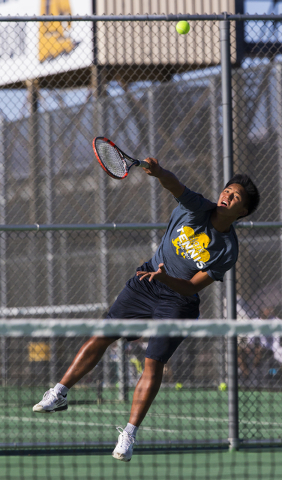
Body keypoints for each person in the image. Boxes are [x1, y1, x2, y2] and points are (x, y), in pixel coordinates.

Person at [33, 159, 260, 462]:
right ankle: (59, 392)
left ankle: (128, 434)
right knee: (103, 334)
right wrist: (159, 172)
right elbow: (175, 185)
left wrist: (168, 279)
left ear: (242, 212)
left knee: (152, 364)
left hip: (178, 302)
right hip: (146, 281)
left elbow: (193, 287)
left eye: (235, 198)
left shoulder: (227, 250)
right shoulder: (197, 208)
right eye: (227, 191)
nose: (227, 197)